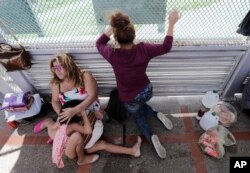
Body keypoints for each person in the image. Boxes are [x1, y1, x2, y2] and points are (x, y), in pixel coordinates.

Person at [96, 10, 180, 159]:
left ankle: (151, 136)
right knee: (141, 104)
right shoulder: (144, 49)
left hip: (128, 97)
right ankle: (157, 114)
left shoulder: (112, 54)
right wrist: (172, 23)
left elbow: (99, 43)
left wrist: (111, 27)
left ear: (116, 37)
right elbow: (166, 47)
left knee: (138, 116)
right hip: (146, 91)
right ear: (133, 33)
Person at [33, 53, 141, 168]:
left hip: (88, 110)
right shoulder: (56, 83)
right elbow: (55, 101)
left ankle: (51, 127)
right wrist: (62, 114)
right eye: (54, 68)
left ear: (68, 65)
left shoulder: (84, 76)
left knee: (82, 142)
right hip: (71, 115)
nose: (57, 71)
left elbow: (92, 96)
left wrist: (76, 111)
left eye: (59, 67)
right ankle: (49, 124)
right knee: (79, 142)